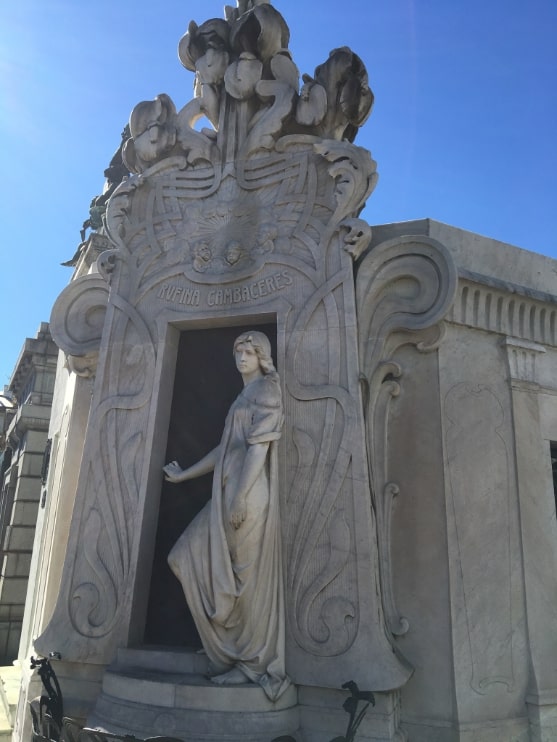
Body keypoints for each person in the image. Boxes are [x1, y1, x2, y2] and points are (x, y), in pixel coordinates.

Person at [163, 331, 289, 700]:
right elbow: (227, 448)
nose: (241, 357)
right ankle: (225, 645)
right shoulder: (244, 395)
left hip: (246, 497)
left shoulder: (267, 389)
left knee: (247, 583)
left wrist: (240, 497)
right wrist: (185, 474)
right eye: (238, 351)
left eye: (249, 351)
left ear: (262, 356)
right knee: (183, 556)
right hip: (227, 494)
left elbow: (257, 451)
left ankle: (250, 665)